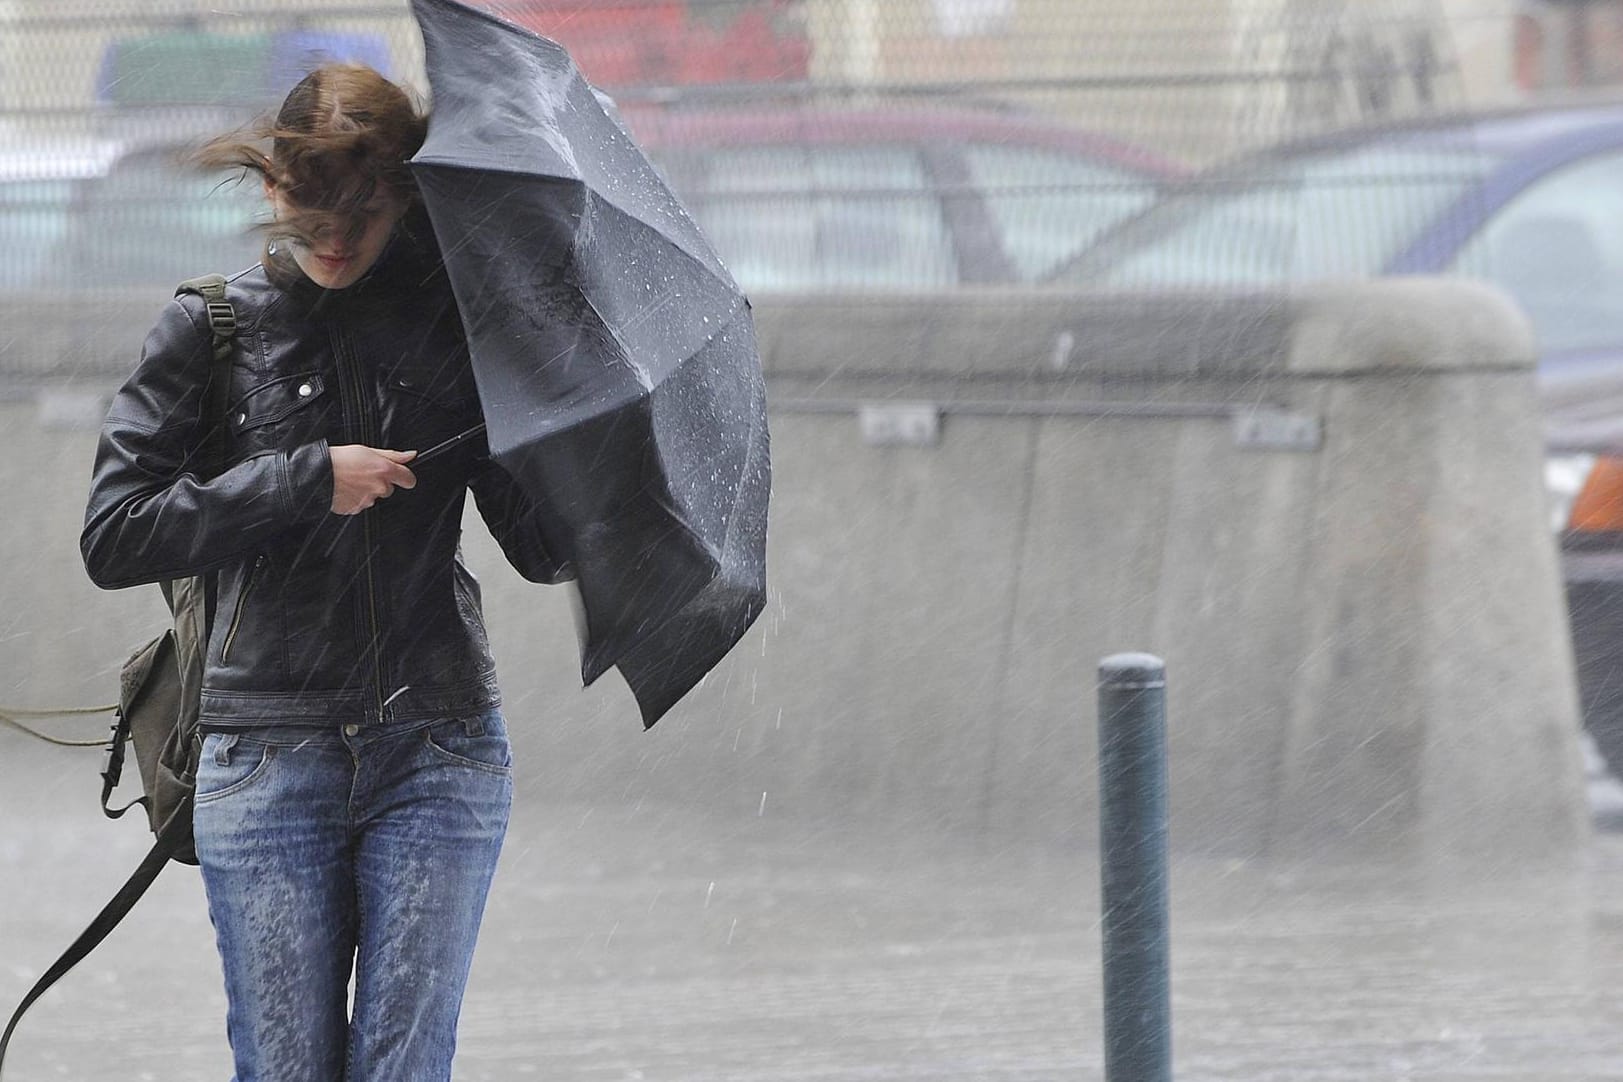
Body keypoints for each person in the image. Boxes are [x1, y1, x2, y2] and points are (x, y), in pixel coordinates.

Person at [79, 63, 566, 1082]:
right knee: (286, 1067)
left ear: (408, 193)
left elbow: (543, 548)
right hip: (266, 753)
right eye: (313, 210)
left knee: (404, 1066)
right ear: (272, 186)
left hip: (440, 743)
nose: (337, 238)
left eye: (367, 209)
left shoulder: (461, 329)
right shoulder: (213, 328)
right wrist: (302, 480)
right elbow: (114, 534)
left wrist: (557, 419)